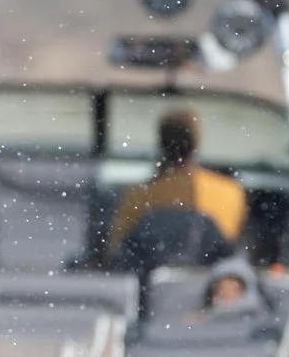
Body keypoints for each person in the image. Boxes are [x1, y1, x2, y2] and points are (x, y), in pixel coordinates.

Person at [106, 108, 248, 256]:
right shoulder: (230, 191)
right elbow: (232, 249)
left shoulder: (137, 195)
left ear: (161, 142)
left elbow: (116, 252)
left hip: (148, 277)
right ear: (197, 141)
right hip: (209, 277)